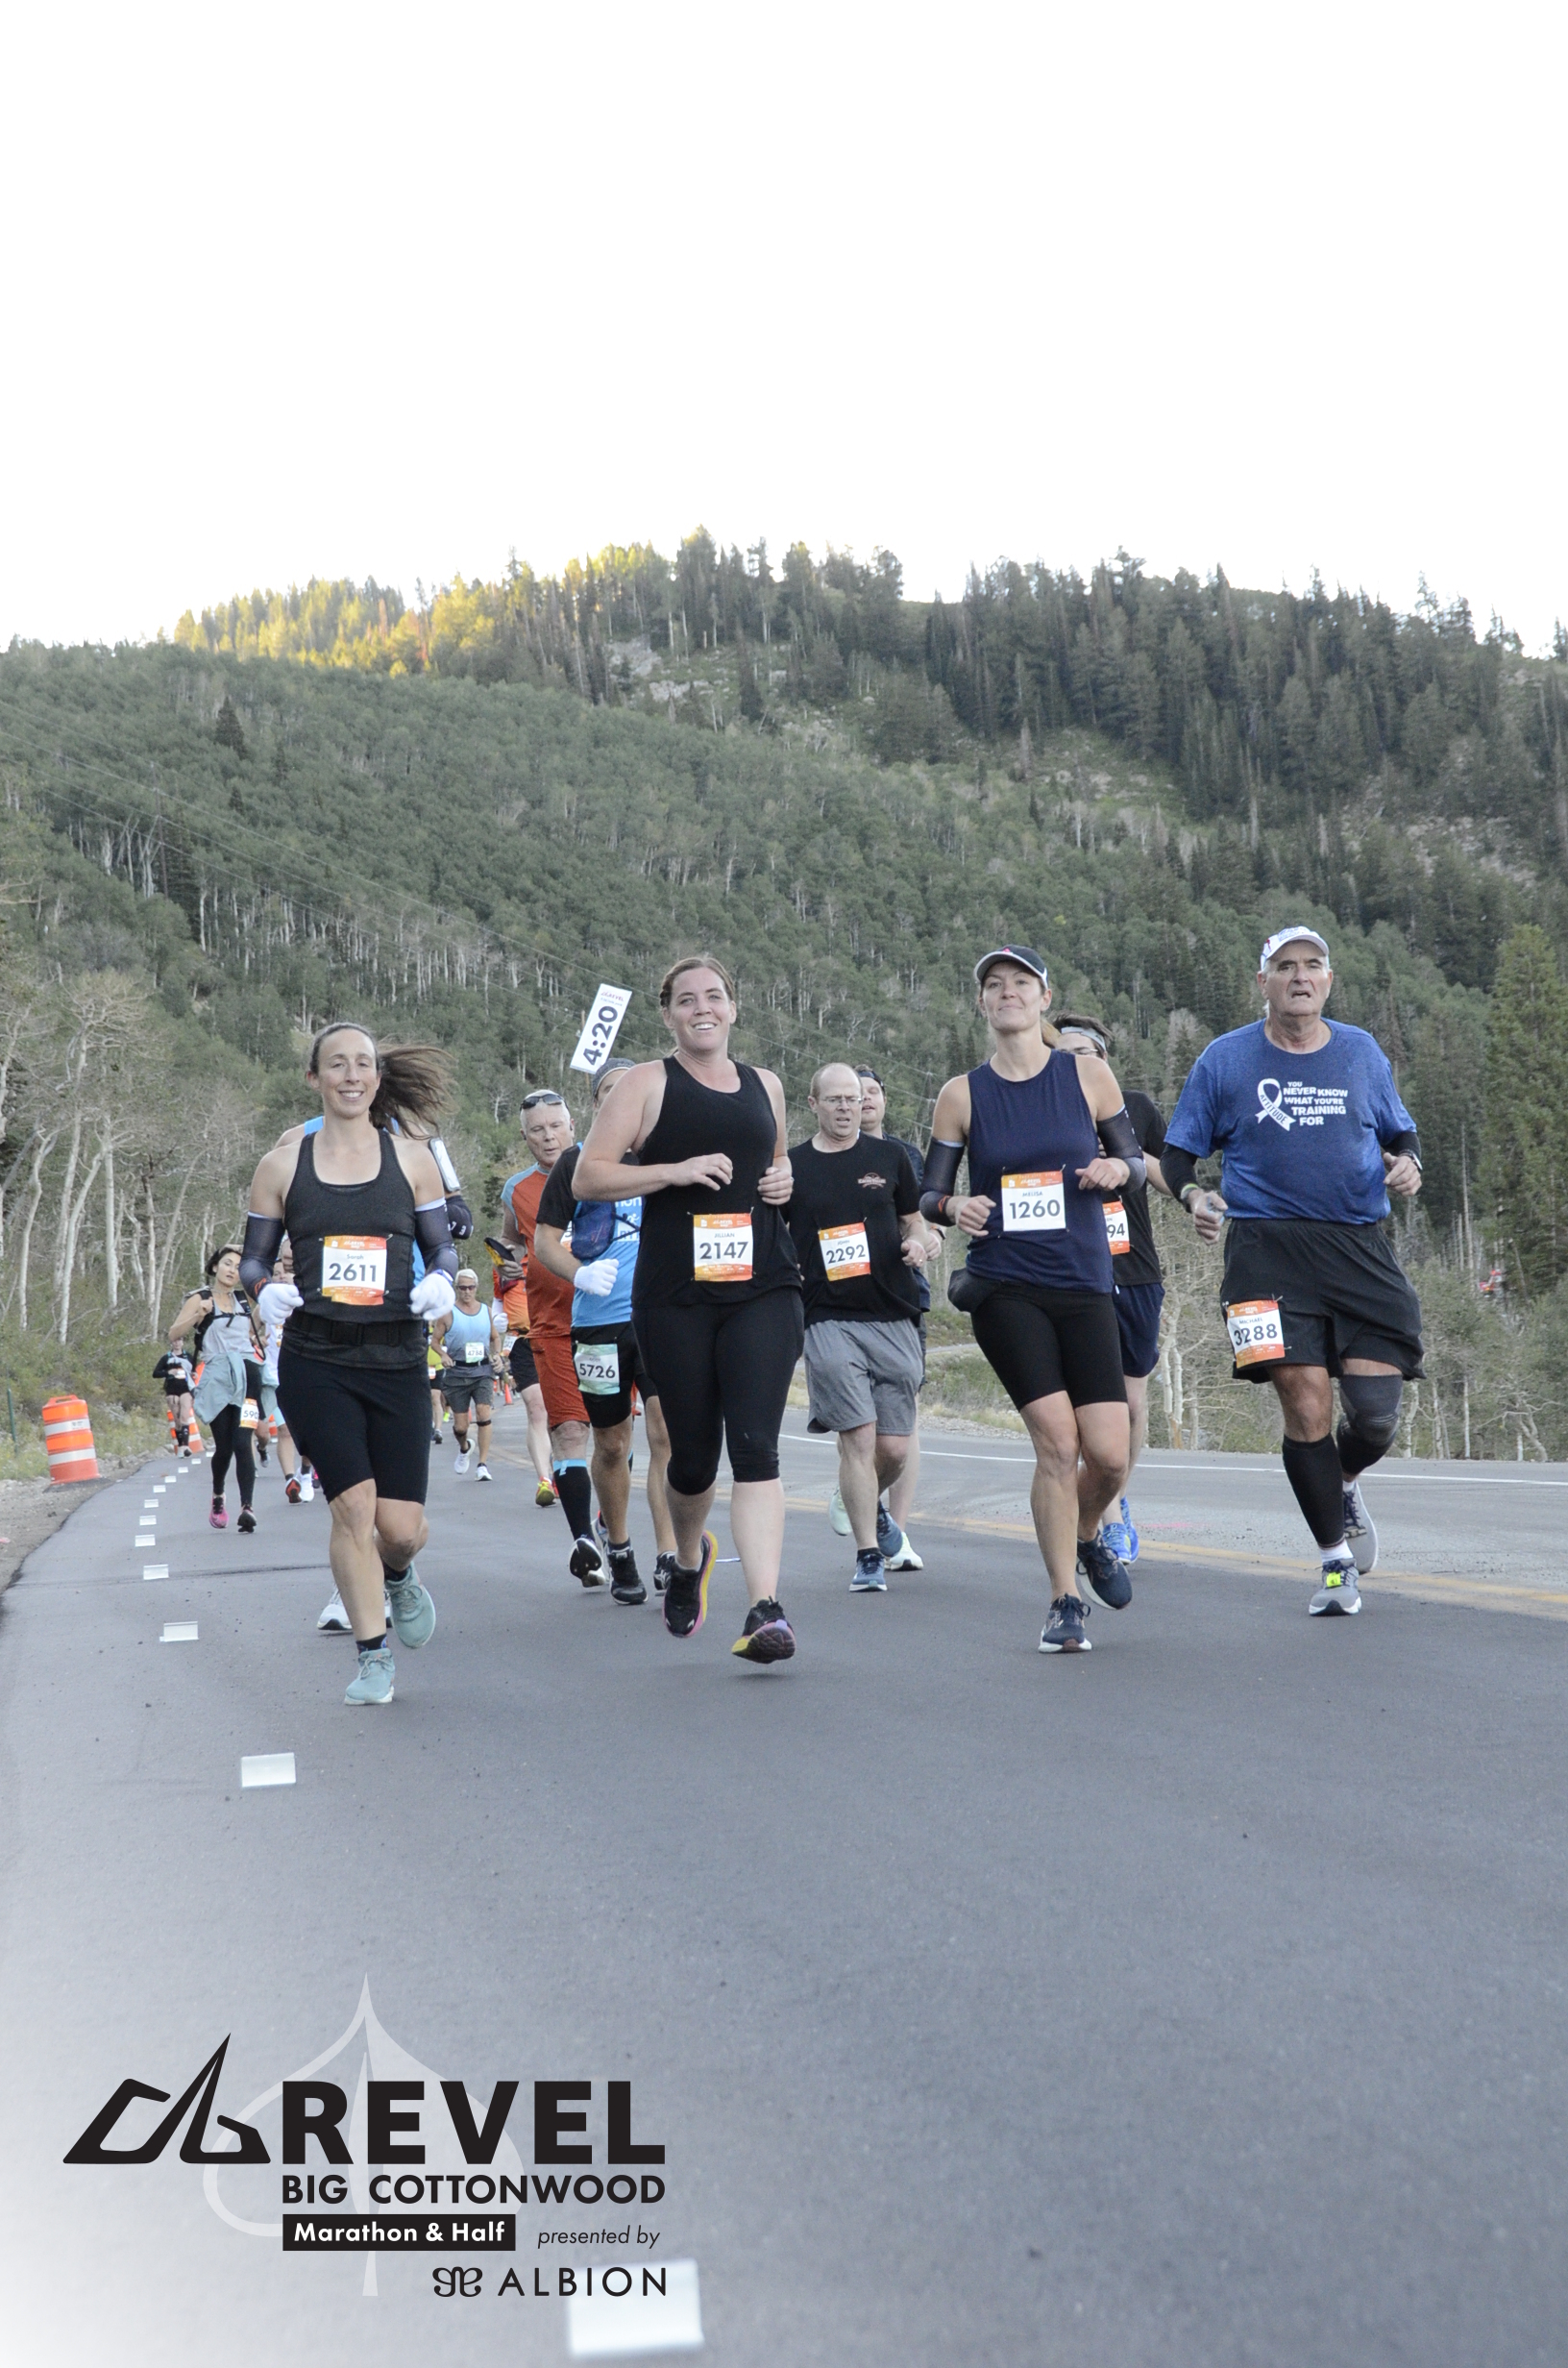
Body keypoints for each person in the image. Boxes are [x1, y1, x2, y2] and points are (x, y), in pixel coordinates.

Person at [1161, 926, 1425, 1616]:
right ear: (1264, 982)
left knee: (1375, 1417)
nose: (1300, 977)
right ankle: (1334, 1562)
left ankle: (1341, 1479)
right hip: (1263, 1251)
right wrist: (1193, 1197)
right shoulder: (1225, 1059)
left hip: (1357, 1247)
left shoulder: (1360, 1051)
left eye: (1312, 965)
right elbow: (1178, 1155)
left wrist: (1409, 1163)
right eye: (1285, 967)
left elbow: (1400, 1132)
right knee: (1305, 1404)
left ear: (1328, 981)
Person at [574, 955, 803, 1663]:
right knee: (694, 1457)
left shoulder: (766, 1084)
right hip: (676, 1295)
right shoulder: (646, 1083)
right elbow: (589, 1176)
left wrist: (783, 1181)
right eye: (686, 999)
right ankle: (686, 1557)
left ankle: (765, 1608)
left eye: (714, 996)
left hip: (764, 1284)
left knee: (756, 1447)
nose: (702, 1008)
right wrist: (673, 1171)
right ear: (669, 1014)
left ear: (733, 1007)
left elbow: (776, 1165)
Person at [920, 947, 1146, 1654]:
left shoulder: (1087, 1075)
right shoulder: (962, 1094)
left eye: (1021, 983)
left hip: (1083, 1282)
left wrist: (1116, 1170)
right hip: (1007, 1285)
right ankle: (1061, 1600)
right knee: (1058, 1444)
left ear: (1044, 998)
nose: (1008, 993)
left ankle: (1087, 1532)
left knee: (1109, 1456)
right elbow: (929, 1194)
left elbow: (1135, 1164)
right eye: (994, 985)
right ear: (982, 1003)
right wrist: (955, 1207)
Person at [240, 1025, 456, 1707]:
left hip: (396, 1355)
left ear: (377, 1078)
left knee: (400, 1530)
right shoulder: (282, 1165)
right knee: (352, 1508)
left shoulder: (413, 1158)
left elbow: (441, 1247)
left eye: (363, 1064)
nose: (351, 1075)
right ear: (315, 1078)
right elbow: (253, 1258)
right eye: (337, 1065)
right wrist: (262, 1289)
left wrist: (442, 1280)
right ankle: (372, 1657)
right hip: (317, 1358)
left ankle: (399, 1576)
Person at [532, 1058, 678, 1604]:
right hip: (599, 1325)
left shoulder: (667, 1155)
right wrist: (580, 1275)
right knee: (613, 1444)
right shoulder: (576, 1163)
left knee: (666, 1435)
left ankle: (670, 1553)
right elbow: (544, 1242)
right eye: (613, 1092)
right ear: (597, 1105)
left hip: (662, 1318)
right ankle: (619, 1547)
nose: (625, 1099)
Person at [786, 1063, 932, 1591]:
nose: (846, 1107)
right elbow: (772, 1232)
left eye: (853, 1098)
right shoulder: (792, 1166)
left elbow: (914, 1218)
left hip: (891, 1310)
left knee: (893, 1449)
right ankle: (868, 1555)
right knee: (859, 1437)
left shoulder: (890, 1158)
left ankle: (861, 1499)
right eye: (835, 1099)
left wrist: (920, 1243)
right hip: (826, 1315)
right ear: (813, 1104)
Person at [1052, 1015, 1174, 1564]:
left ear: (1103, 1059)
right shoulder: (1043, 1112)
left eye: (1084, 1053)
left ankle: (1113, 1499)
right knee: (1085, 1410)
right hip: (1069, 1273)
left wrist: (1127, 1157)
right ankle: (1098, 1517)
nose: (1073, 1063)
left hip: (1134, 1272)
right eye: (1063, 1055)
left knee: (1131, 1404)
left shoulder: (1136, 1108)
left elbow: (1174, 1178)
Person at [499, 1089, 605, 1583]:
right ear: (525, 1137)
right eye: (537, 1130)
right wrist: (508, 1262)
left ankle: (610, 1524)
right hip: (552, 1325)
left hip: (606, 1321)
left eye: (555, 1126)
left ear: (572, 1125)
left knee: (612, 1436)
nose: (547, 1137)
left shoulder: (603, 1168)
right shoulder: (517, 1189)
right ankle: (583, 1540)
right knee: (568, 1431)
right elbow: (512, 1239)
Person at [166, 1246, 265, 1533]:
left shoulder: (244, 1299)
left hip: (247, 1376)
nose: (232, 1270)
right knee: (224, 1447)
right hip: (217, 1379)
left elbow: (253, 1329)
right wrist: (198, 1314)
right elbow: (174, 1333)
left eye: (238, 1266)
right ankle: (218, 1494)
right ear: (215, 1267)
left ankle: (247, 1508)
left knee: (242, 1441)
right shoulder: (201, 1298)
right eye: (227, 1264)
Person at [486, 1240, 555, 1503]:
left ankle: (560, 1469)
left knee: (556, 1413)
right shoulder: (504, 1263)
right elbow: (498, 1299)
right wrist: (497, 1318)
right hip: (521, 1341)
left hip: (554, 1338)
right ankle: (544, 1480)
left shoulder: (552, 1253)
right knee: (537, 1409)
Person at [432, 1268, 497, 1478]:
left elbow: (495, 1337)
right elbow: (435, 1341)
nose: (467, 1291)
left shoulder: (486, 1311)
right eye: (462, 1288)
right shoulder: (448, 1313)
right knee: (460, 1427)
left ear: (476, 1288)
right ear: (457, 1289)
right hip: (457, 1373)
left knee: (483, 1413)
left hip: (482, 1370)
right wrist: (443, 1354)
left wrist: (497, 1355)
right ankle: (464, 1447)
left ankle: (482, 1465)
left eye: (470, 1287)